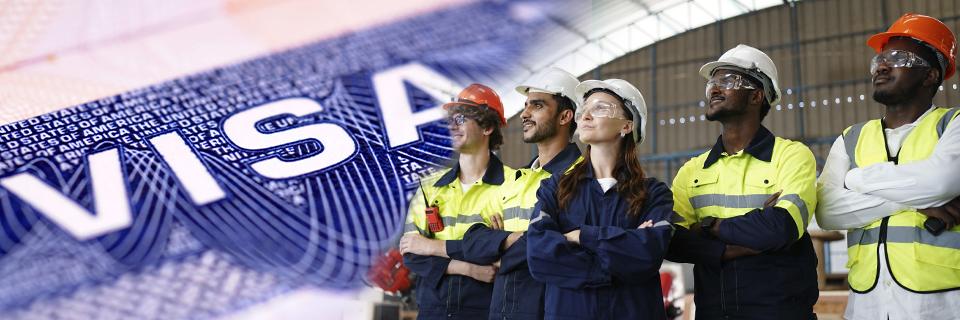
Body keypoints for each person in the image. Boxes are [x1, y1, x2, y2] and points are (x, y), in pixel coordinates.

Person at [815, 13, 960, 320]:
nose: (881, 65)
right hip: (866, 303)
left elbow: (938, 184)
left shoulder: (953, 125)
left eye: (898, 58)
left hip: (941, 303)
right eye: (879, 59)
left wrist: (853, 179)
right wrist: (914, 201)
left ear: (931, 74)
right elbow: (827, 211)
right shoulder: (852, 137)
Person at [666, 44, 819, 319]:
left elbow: (781, 227)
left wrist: (709, 226)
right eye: (712, 82)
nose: (714, 89)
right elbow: (673, 241)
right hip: (714, 312)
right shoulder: (692, 170)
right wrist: (729, 250)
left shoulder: (791, 156)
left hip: (782, 312)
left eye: (726, 81)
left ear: (757, 95)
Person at [526, 78, 674, 319]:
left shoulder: (653, 194)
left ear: (627, 126)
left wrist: (580, 236)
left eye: (600, 108)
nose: (585, 116)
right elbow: (539, 256)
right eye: (584, 109)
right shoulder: (555, 188)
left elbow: (647, 254)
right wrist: (620, 256)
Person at [456, 67, 582, 320]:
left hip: (550, 310)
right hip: (503, 309)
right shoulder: (515, 179)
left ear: (565, 116)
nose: (524, 113)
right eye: (526, 105)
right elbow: (471, 242)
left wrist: (500, 242)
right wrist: (512, 241)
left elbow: (560, 250)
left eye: (537, 105)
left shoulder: (581, 177)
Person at [400, 84, 515, 320]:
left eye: (461, 118)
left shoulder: (514, 185)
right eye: (450, 119)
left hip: (487, 310)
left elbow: (515, 251)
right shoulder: (430, 187)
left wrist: (431, 246)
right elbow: (411, 252)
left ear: (488, 126)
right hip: (433, 310)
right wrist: (470, 268)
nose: (452, 125)